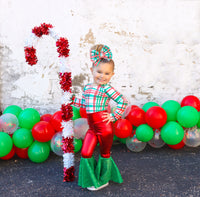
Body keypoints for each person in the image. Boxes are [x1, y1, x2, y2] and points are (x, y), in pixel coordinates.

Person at [72, 44, 128, 191]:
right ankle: (91, 177)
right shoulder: (87, 88)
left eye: (107, 73)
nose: (102, 76)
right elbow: (83, 103)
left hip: (105, 129)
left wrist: (113, 116)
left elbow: (123, 101)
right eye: (99, 72)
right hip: (92, 129)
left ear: (112, 75)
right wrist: (70, 100)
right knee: (85, 152)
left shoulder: (107, 88)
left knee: (104, 153)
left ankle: (103, 179)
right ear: (92, 71)